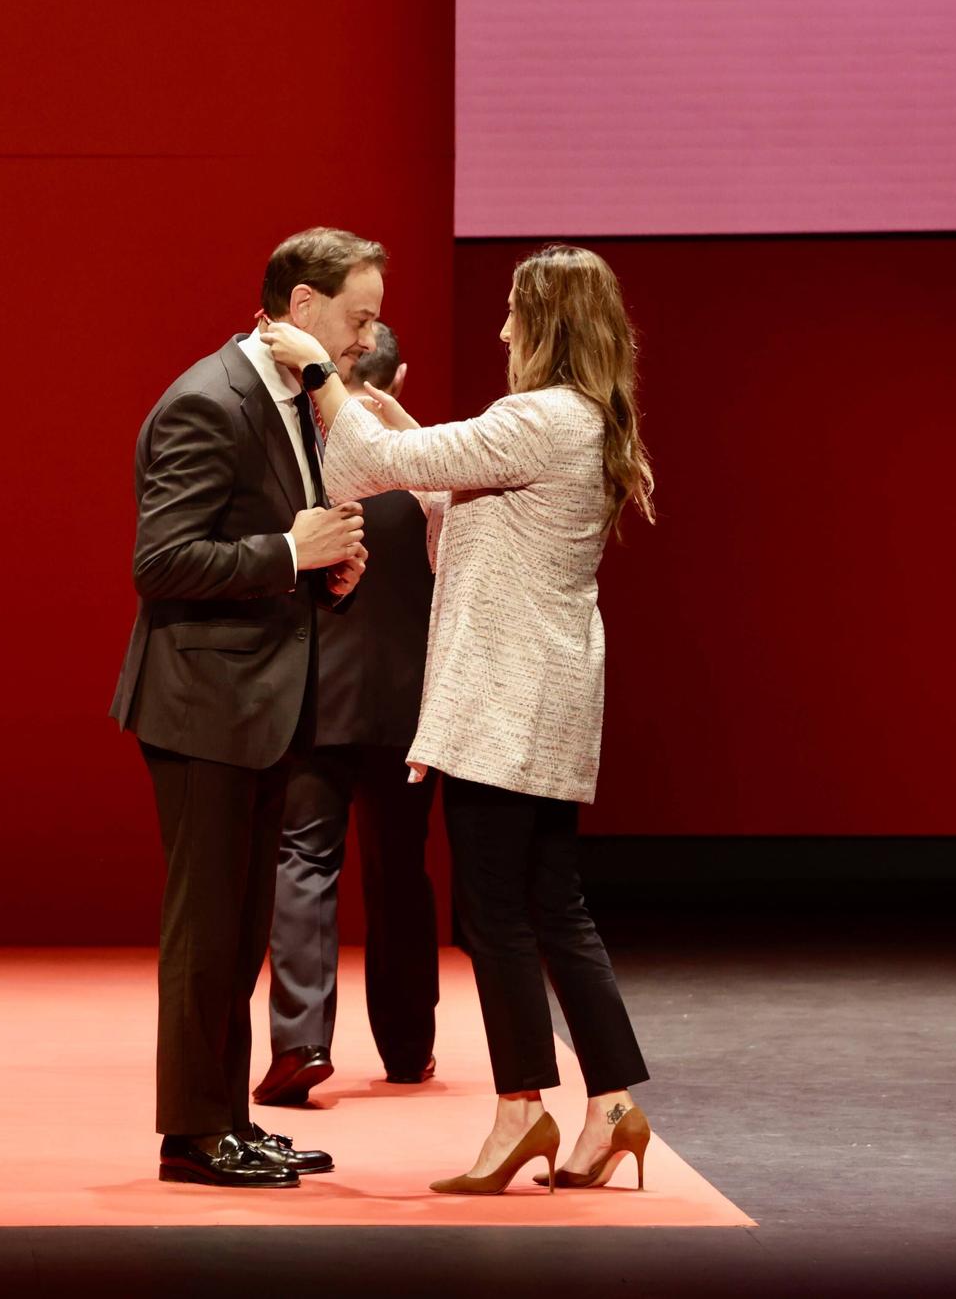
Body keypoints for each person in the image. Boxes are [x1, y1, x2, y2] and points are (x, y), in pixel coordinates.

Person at [258, 243, 658, 1195]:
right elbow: (461, 504)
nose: (504, 329)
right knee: (554, 906)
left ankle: (522, 1108)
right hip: (550, 695)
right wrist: (396, 420)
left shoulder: (535, 416)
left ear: (548, 325)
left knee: (496, 914)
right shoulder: (582, 423)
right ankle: (611, 1106)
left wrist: (322, 374)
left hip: (503, 703)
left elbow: (366, 465)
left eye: (518, 313)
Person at [110, 227, 376, 1189]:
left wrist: (324, 572)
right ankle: (192, 1134)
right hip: (203, 708)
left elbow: (272, 542)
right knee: (206, 933)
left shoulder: (287, 399)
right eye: (358, 317)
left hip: (257, 704)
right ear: (301, 309)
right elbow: (161, 561)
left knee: (239, 929)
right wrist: (287, 554)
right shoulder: (206, 401)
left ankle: (228, 1119)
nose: (364, 338)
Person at [253, 324, 440, 1107]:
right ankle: (407, 1047)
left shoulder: (303, 465)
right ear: (400, 377)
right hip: (407, 708)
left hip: (316, 697)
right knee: (401, 870)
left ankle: (301, 1043)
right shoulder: (434, 475)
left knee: (303, 862)